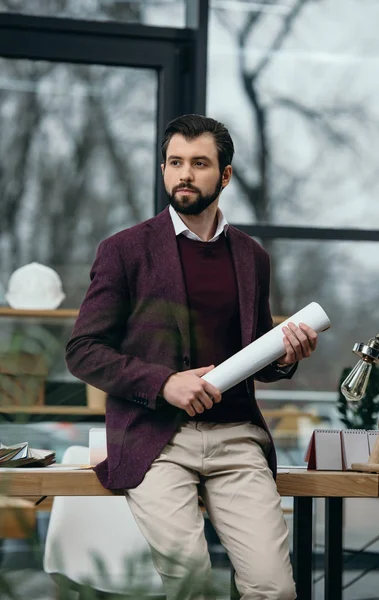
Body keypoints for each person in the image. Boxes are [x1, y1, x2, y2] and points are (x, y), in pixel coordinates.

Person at [66, 114, 318, 600]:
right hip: (156, 441)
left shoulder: (251, 256)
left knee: (276, 590)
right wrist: (163, 383)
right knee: (194, 587)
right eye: (174, 162)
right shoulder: (124, 251)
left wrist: (287, 356)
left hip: (236, 439)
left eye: (199, 163)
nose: (184, 173)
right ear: (162, 170)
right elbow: (83, 350)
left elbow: (255, 354)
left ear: (224, 175)